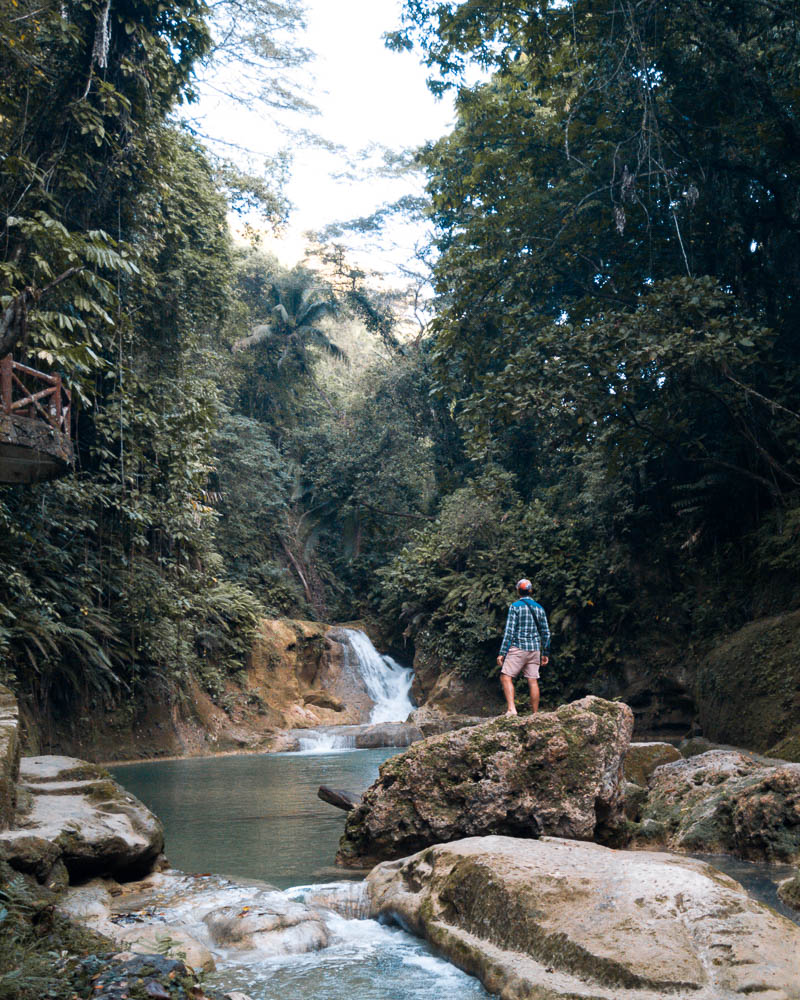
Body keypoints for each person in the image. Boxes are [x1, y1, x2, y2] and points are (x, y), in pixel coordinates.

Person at [497, 578, 550, 716]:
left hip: (518, 647)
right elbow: (546, 632)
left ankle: (511, 709)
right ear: (530, 591)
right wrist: (545, 653)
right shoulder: (540, 608)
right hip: (535, 649)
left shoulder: (515, 607)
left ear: (518, 591)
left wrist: (502, 652)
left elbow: (509, 631)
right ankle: (535, 714)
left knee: (505, 676)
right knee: (532, 681)